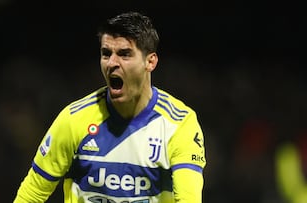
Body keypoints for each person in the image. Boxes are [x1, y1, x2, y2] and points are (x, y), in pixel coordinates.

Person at [13, 11, 206, 203]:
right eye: (106, 53)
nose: (112, 63)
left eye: (124, 54)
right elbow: (31, 195)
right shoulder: (73, 120)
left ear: (150, 61)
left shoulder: (179, 124)